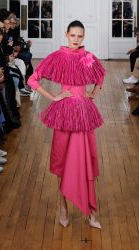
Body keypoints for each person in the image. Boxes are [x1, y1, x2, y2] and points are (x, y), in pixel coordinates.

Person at [27, 20, 106, 228]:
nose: (76, 40)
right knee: (61, 159)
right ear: (66, 34)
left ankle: (92, 210)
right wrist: (53, 97)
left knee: (86, 159)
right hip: (64, 114)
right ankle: (62, 205)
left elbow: (101, 77)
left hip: (84, 114)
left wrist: (94, 93)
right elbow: (32, 80)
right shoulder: (57, 57)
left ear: (84, 36)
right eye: (73, 36)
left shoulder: (88, 58)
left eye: (80, 36)